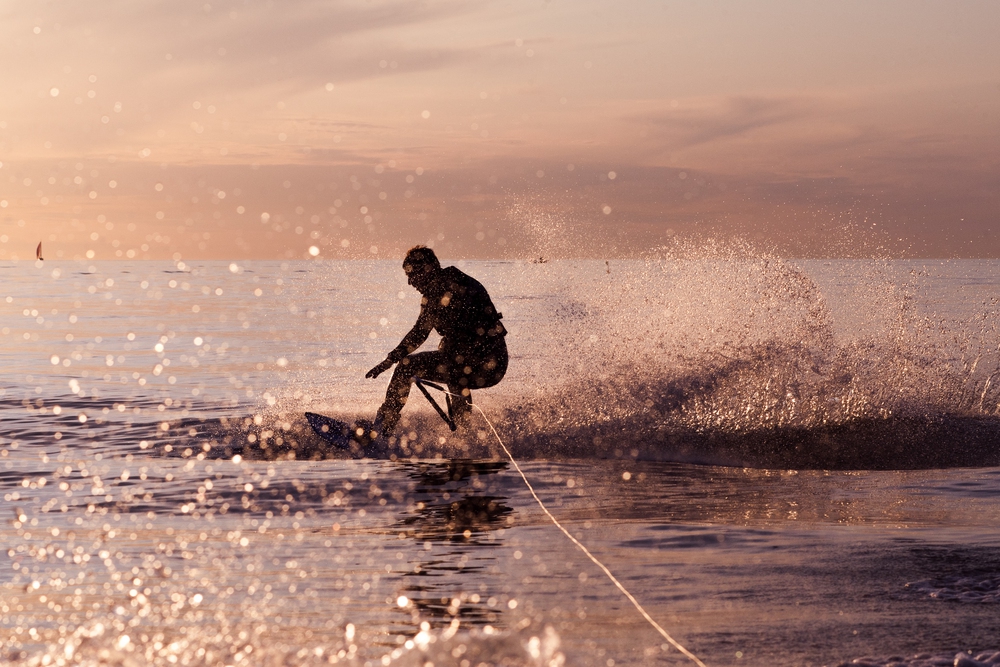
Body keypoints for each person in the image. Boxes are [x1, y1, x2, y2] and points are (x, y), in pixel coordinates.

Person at [365, 246, 508, 439]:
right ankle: (464, 436)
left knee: (407, 367)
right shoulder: (445, 284)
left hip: (486, 362)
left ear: (428, 269)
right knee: (453, 365)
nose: (409, 282)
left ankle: (381, 430)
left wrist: (391, 359)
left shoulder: (445, 286)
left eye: (412, 274)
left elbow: (420, 333)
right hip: (489, 361)